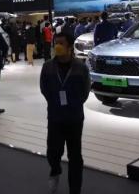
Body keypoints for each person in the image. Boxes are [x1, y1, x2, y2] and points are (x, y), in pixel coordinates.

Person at [40, 32, 91, 194]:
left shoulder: (81, 68)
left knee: (75, 156)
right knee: (52, 152)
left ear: (70, 47)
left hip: (74, 118)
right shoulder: (47, 66)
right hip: (55, 116)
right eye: (56, 43)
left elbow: (85, 91)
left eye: (61, 43)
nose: (58, 46)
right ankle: (55, 169)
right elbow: (44, 88)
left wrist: (74, 104)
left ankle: (75, 189)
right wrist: (54, 102)